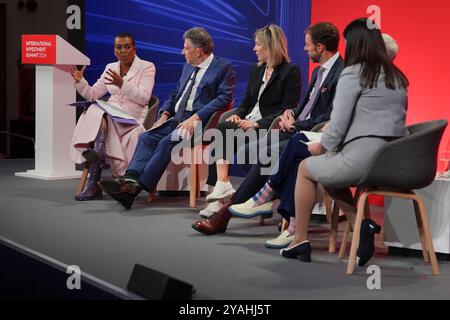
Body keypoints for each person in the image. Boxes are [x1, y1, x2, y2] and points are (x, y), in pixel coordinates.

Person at [192, 22, 344, 237]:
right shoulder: (318, 71)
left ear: (320, 47)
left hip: (311, 135)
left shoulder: (340, 73)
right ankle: (249, 193)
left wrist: (292, 122)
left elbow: (329, 116)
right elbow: (302, 107)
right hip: (292, 128)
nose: (304, 48)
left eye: (307, 44)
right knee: (243, 149)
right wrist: (290, 116)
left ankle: (226, 213)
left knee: (265, 154)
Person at [280, 18, 409, 264]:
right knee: (328, 170)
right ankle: (362, 229)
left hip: (363, 160)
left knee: (306, 167)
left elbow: (337, 126)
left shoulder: (353, 73)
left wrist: (321, 145)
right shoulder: (397, 76)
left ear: (356, 44)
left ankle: (299, 240)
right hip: (395, 161)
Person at [99, 27, 235, 210]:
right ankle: (130, 180)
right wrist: (164, 114)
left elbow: (224, 98)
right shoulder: (188, 66)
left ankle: (134, 189)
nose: (182, 52)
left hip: (201, 124)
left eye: (186, 48)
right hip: (177, 119)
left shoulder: (223, 67)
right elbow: (175, 93)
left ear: (198, 51)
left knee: (166, 142)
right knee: (146, 137)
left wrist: (196, 117)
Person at [202, 24, 301, 213]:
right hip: (246, 122)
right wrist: (238, 116)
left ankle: (221, 195)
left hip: (268, 128)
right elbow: (246, 102)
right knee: (223, 127)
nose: (254, 49)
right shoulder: (257, 70)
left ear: (270, 46)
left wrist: (256, 123)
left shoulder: (290, 72)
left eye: (257, 45)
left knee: (224, 133)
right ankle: (220, 188)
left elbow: (287, 110)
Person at [70, 32, 155, 201]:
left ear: (134, 49)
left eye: (127, 47)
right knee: (96, 108)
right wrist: (81, 82)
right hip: (109, 115)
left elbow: (144, 98)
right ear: (114, 50)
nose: (123, 51)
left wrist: (122, 84)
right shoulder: (110, 67)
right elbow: (93, 94)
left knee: (98, 111)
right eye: (118, 47)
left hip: (131, 117)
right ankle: (99, 155)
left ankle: (95, 174)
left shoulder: (147, 67)